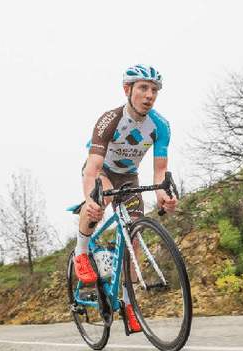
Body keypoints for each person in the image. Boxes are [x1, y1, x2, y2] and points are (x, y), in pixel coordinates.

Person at [73, 63, 177, 332]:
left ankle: (130, 305)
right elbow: (92, 170)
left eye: (154, 89)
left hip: (129, 178)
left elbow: (160, 171)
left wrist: (163, 196)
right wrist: (92, 199)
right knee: (98, 202)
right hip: (102, 171)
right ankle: (82, 252)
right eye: (143, 88)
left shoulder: (161, 126)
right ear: (127, 89)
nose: (150, 95)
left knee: (133, 239)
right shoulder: (110, 120)